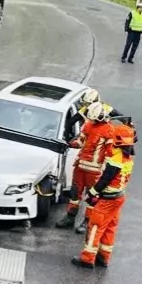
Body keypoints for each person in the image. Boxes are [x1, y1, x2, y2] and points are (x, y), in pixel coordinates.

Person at [71, 121, 136, 269]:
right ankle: (103, 257)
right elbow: (131, 141)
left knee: (95, 226)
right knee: (110, 226)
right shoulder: (127, 155)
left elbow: (105, 179)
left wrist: (92, 193)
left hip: (107, 199)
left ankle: (87, 259)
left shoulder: (116, 160)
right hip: (119, 197)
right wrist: (131, 129)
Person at [56, 101, 117, 229]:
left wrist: (105, 170)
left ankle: (87, 221)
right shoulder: (88, 125)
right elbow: (81, 141)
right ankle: (70, 217)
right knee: (74, 193)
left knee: (92, 196)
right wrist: (70, 144)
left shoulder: (109, 130)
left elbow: (110, 152)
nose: (92, 121)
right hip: (80, 167)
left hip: (94, 171)